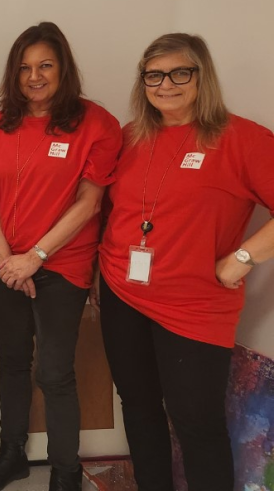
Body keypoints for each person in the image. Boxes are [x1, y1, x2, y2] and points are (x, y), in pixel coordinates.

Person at [97, 33, 274, 491]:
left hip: (196, 307)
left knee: (197, 422)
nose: (166, 84)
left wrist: (242, 258)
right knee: (137, 407)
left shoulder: (243, 139)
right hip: (122, 293)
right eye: (154, 74)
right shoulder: (130, 136)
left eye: (180, 72)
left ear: (202, 76)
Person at [0, 22, 121, 491]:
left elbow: (89, 203)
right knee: (11, 361)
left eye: (45, 66)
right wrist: (4, 257)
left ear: (63, 69)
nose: (34, 76)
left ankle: (65, 471)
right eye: (24, 68)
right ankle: (11, 453)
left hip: (61, 266)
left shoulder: (96, 123)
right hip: (6, 263)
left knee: (55, 372)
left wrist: (34, 257)